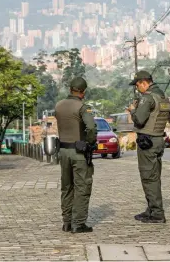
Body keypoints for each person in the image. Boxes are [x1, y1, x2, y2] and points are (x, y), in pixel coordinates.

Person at [54, 77, 97, 233]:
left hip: (63, 151)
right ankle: (78, 223)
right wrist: (90, 143)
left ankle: (66, 222)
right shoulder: (83, 107)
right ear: (83, 92)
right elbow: (91, 128)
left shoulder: (58, 106)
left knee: (67, 187)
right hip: (79, 152)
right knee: (82, 187)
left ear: (70, 89)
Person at [126, 70, 170, 224]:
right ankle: (151, 209)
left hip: (147, 141)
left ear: (144, 83)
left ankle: (157, 213)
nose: (137, 88)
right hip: (158, 139)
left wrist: (132, 110)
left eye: (138, 85)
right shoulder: (162, 96)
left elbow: (139, 119)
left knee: (148, 177)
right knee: (154, 176)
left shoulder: (147, 97)